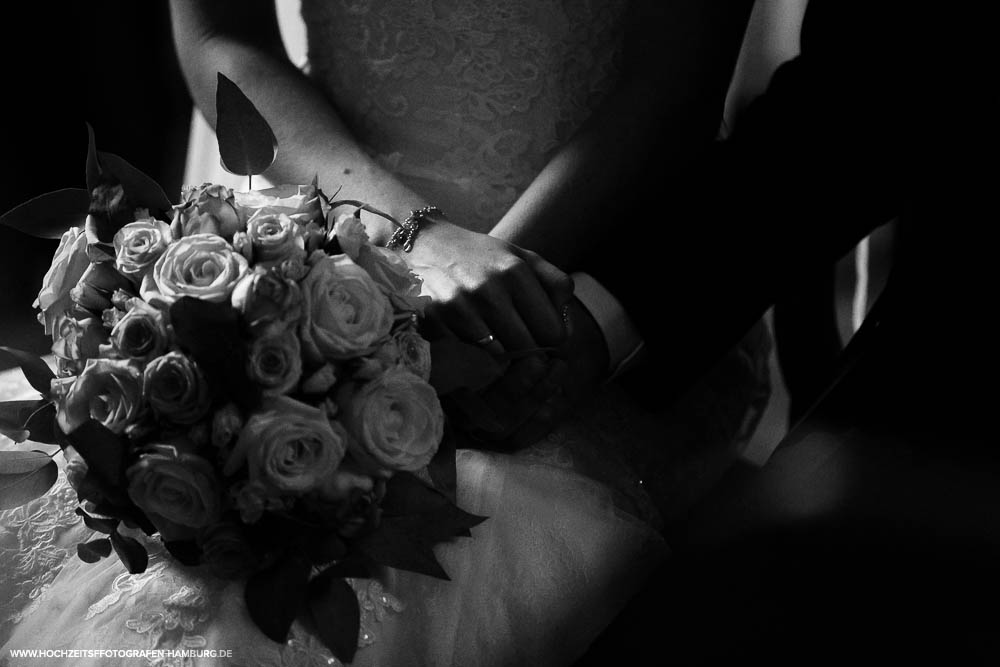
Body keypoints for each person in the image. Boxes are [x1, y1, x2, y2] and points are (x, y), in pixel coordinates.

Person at [1, 1, 771, 665]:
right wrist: (407, 241)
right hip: (325, 218)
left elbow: (675, 81)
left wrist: (500, 307)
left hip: (587, 263)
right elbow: (222, 39)